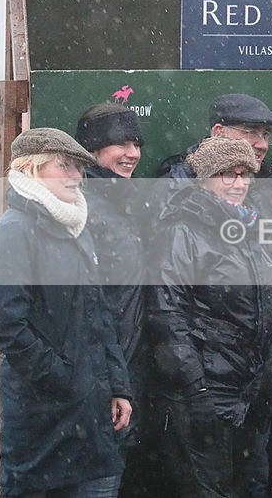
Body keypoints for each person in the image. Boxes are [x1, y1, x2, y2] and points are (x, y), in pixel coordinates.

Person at [0, 127, 132, 497]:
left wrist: (117, 386)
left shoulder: (76, 227)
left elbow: (100, 316)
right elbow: (6, 327)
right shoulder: (14, 230)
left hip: (94, 422)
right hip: (42, 424)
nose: (76, 177)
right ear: (30, 168)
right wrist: (67, 380)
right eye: (64, 166)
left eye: (79, 168)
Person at [146, 136, 272, 497]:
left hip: (250, 397)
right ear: (205, 178)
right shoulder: (181, 231)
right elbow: (168, 316)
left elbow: (266, 318)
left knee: (254, 489)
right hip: (206, 396)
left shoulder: (247, 231)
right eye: (228, 174)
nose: (239, 183)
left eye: (245, 174)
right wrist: (197, 391)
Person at [74, 103, 153, 497]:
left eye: (136, 143)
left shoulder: (122, 203)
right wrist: (105, 381)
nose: (132, 153)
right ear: (92, 150)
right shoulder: (83, 209)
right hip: (99, 380)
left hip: (125, 374)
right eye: (120, 143)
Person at [154, 93, 272, 225]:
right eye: (251, 132)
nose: (263, 145)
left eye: (266, 134)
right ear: (219, 132)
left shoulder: (266, 182)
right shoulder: (177, 186)